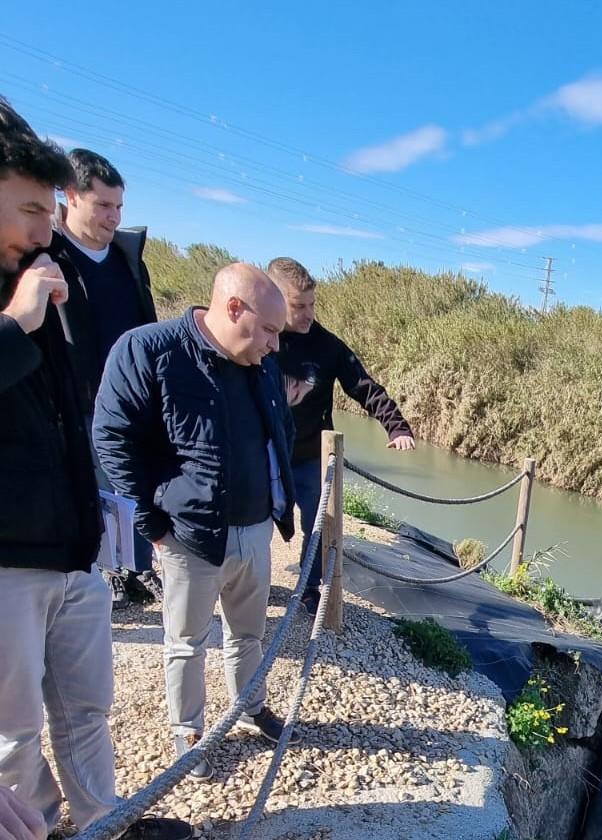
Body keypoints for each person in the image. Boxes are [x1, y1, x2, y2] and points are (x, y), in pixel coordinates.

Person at [0, 96, 190, 839]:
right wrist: (17, 322)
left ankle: (102, 822)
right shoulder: (25, 298)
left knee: (87, 710)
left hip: (75, 546)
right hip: (9, 561)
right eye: (28, 211)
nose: (44, 230)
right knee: (13, 735)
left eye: (49, 212)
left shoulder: (49, 273)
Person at [93, 262, 297, 782]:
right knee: (187, 640)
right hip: (187, 537)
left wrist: (279, 504)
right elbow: (113, 438)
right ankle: (188, 731)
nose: (275, 344)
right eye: (270, 330)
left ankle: (251, 706)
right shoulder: (149, 350)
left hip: (254, 528)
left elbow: (280, 429)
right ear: (234, 309)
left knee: (248, 633)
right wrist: (152, 524)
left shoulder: (261, 361)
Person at [266, 257, 415, 614]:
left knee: (317, 525)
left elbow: (364, 386)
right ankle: (246, 586)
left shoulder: (327, 346)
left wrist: (396, 426)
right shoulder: (258, 338)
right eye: (298, 306)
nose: (308, 314)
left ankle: (308, 588)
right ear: (273, 298)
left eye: (312, 305)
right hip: (265, 451)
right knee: (253, 523)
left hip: (309, 454)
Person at [55, 148, 160, 609]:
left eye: (119, 207)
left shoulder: (128, 261)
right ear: (71, 196)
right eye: (103, 206)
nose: (113, 217)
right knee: (92, 488)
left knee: (136, 483)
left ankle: (138, 568)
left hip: (132, 400)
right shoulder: (48, 258)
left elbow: (150, 329)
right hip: (75, 401)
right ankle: (107, 573)